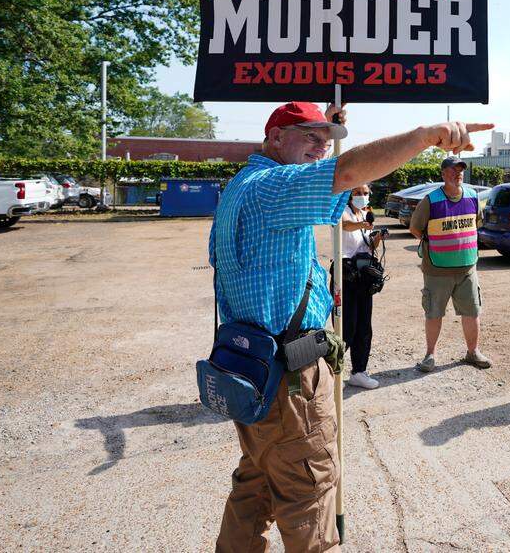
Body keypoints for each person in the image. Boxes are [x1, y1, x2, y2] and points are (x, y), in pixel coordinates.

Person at [210, 101, 491, 552]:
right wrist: (425, 136)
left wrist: (330, 130)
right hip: (288, 382)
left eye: (326, 141)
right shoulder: (271, 188)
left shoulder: (242, 186)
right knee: (309, 496)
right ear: (275, 136)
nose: (320, 149)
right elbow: (345, 173)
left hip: (252, 368)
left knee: (255, 486)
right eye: (309, 137)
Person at [408, 156, 491, 373]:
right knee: (434, 313)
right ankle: (430, 355)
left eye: (460, 170)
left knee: (472, 311)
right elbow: (416, 228)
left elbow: (477, 221)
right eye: (453, 171)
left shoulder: (472, 196)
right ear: (443, 174)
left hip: (467, 267)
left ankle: (473, 352)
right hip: (437, 270)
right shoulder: (431, 200)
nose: (457, 174)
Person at [339, 183, 384, 390]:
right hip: (345, 273)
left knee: (364, 326)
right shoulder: (342, 210)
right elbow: (344, 225)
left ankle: (359, 371)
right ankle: (333, 372)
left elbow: (368, 245)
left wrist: (377, 237)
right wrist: (363, 225)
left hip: (364, 274)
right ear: (349, 194)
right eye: (357, 192)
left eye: (366, 193)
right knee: (346, 327)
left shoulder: (365, 214)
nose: (362, 196)